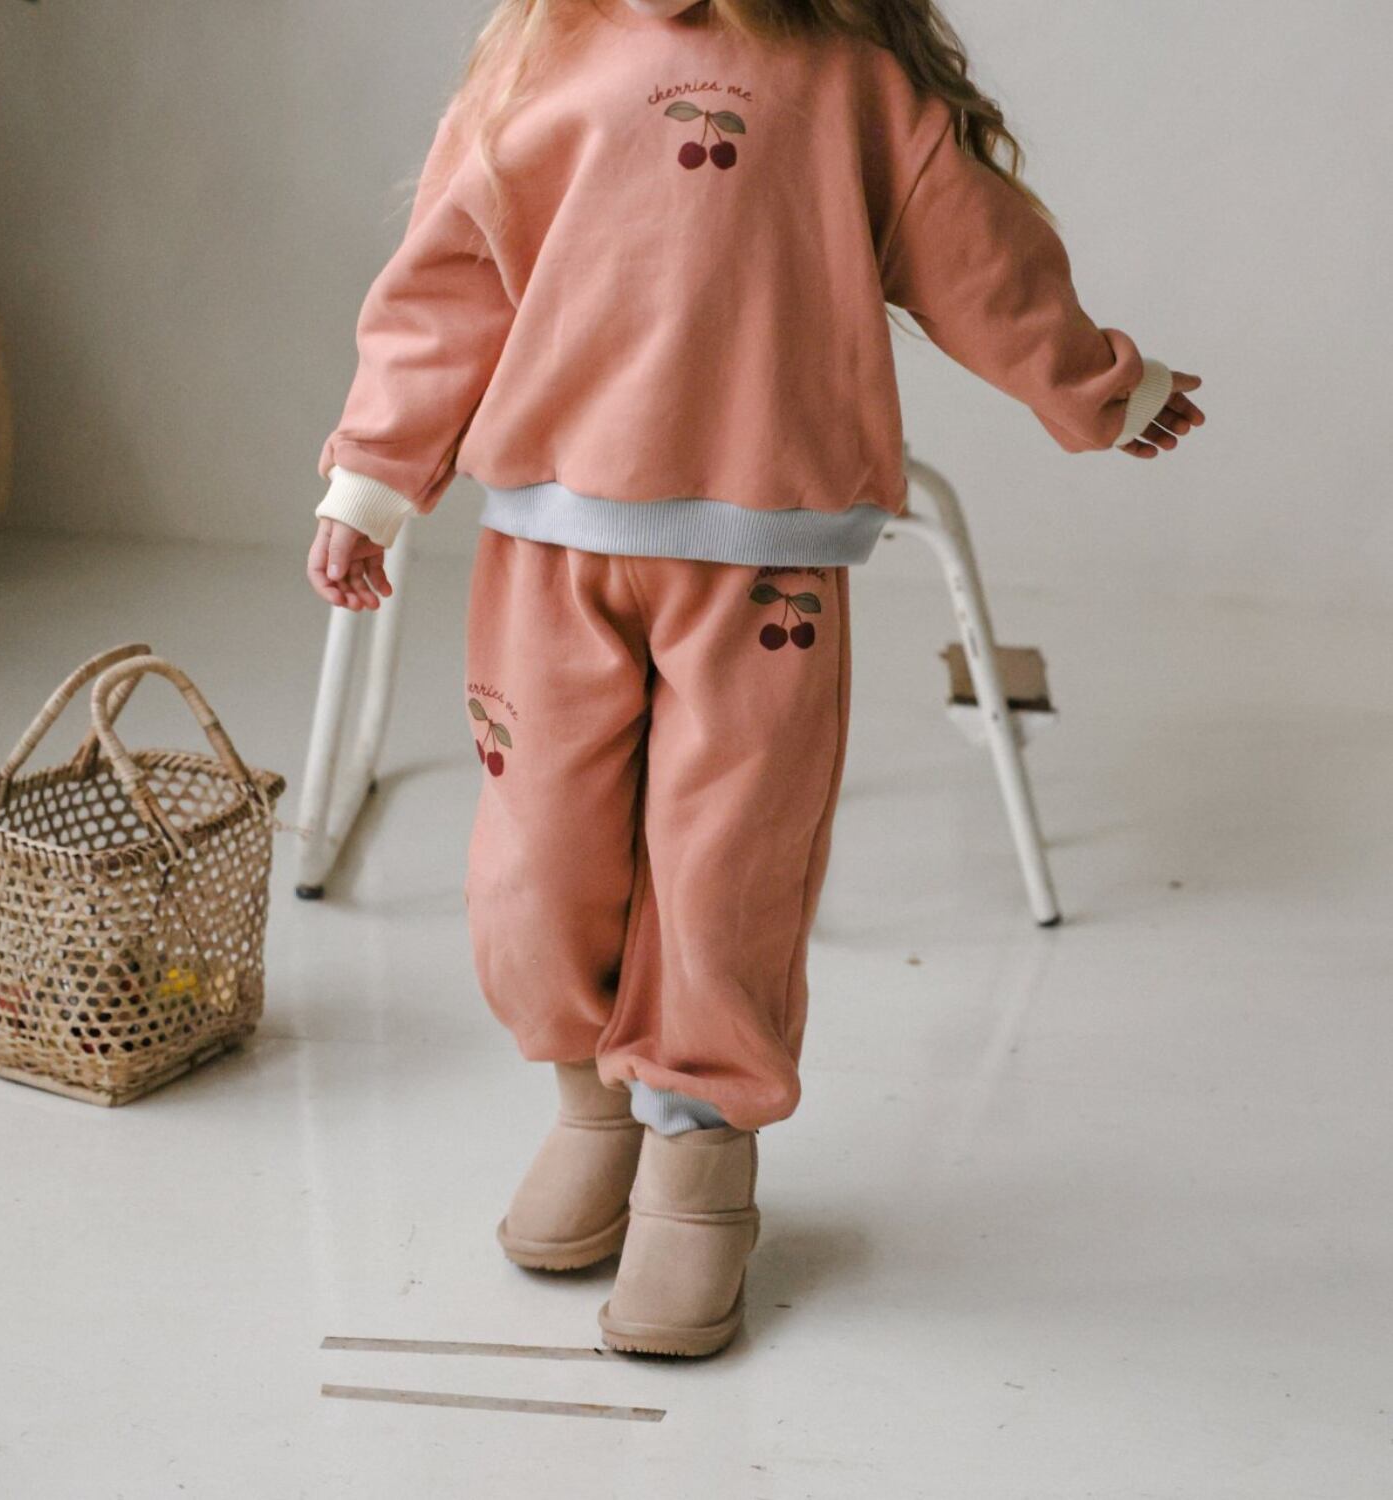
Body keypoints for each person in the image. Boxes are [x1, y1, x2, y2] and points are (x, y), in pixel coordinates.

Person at [305, 0, 1205, 1358]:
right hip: (551, 537)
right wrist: (374, 475)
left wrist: (1095, 384)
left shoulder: (851, 85)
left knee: (727, 864)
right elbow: (452, 277)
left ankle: (699, 1156)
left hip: (767, 552)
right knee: (534, 866)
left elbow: (980, 257)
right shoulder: (544, 61)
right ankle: (592, 1110)